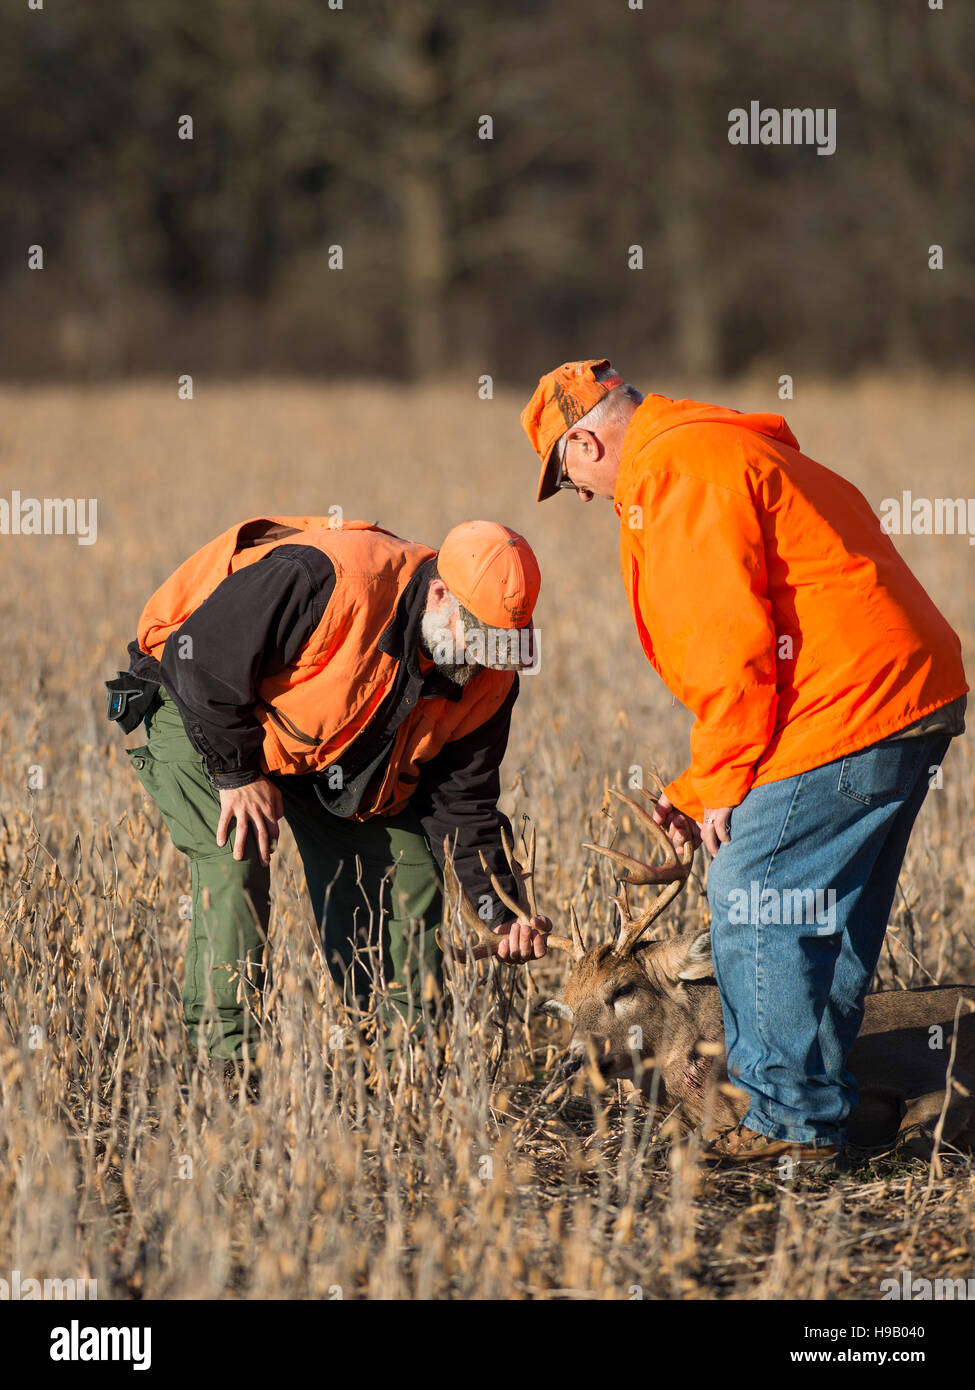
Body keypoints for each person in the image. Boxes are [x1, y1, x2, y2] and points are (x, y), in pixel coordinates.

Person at [520, 359, 967, 1165]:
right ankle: (825, 1105)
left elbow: (729, 646)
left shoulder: (673, 474)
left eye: (568, 478)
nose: (583, 497)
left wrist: (721, 783)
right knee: (821, 907)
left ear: (583, 441)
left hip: (849, 705)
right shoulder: (723, 449)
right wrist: (698, 791)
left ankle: (786, 1123)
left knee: (751, 888)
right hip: (900, 695)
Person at [107, 515, 551, 1065]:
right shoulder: (328, 580)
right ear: (440, 594)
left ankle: (403, 1068)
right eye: (480, 639)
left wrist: (500, 909)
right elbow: (197, 658)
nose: (487, 657)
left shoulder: (488, 676)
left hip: (326, 750)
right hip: (201, 706)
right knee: (237, 857)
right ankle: (225, 1066)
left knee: (409, 866)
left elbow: (462, 805)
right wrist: (238, 776)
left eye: (504, 645)